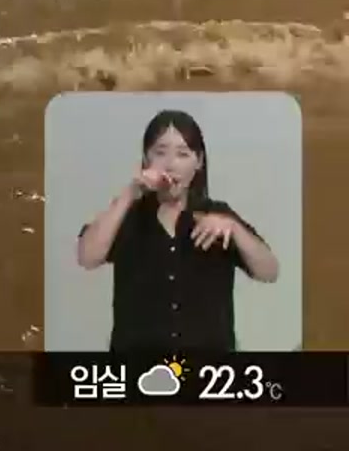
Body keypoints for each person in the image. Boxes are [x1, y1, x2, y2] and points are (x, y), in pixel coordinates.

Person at [76, 109, 280, 353]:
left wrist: (234, 229)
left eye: (183, 154)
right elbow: (87, 257)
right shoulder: (128, 215)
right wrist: (129, 193)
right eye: (160, 152)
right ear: (146, 158)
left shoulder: (218, 215)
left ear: (199, 162)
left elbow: (269, 271)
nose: (171, 164)